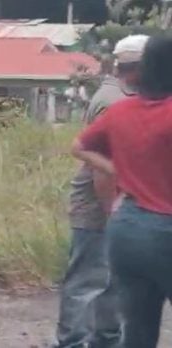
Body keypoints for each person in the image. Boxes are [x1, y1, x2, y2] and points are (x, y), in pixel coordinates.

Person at [71, 34, 172, 348]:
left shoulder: (120, 112)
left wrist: (117, 170)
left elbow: (78, 147)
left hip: (127, 229)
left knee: (138, 331)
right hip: (166, 230)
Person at [53, 34, 149, 348]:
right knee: (87, 280)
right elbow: (101, 167)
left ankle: (105, 339)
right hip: (100, 206)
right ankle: (73, 341)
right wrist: (112, 214)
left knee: (110, 280)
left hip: (116, 203)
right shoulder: (113, 103)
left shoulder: (124, 97)